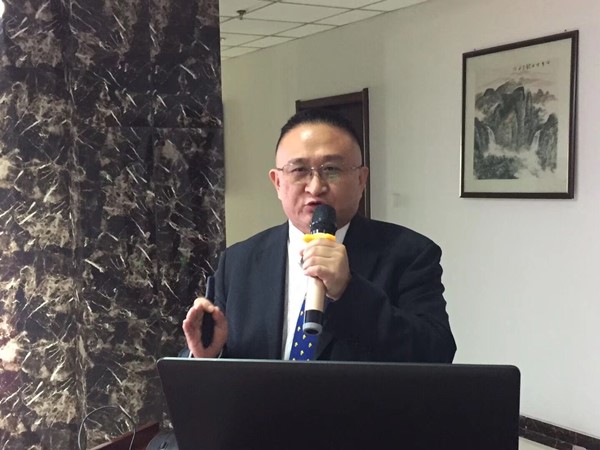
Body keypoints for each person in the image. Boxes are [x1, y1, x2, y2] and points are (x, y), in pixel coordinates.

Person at [182, 108, 456, 362]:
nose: (315, 187)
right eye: (299, 170)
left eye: (331, 170)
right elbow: (214, 357)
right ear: (277, 182)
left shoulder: (409, 254)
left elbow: (437, 353)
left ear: (361, 180)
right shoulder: (239, 261)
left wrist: (348, 290)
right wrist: (207, 355)